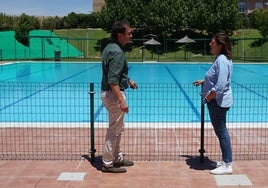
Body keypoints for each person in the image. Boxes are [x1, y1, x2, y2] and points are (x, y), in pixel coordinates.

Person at [193, 33, 233, 175]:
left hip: (217, 101)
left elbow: (221, 84)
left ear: (220, 46)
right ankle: (225, 161)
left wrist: (209, 96)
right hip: (217, 100)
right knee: (220, 131)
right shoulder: (221, 59)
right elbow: (218, 78)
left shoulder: (221, 60)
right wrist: (204, 82)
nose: (210, 45)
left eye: (212, 43)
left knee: (222, 132)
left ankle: (227, 165)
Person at [100, 20, 137, 173]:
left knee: (118, 129)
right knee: (114, 130)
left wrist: (128, 80)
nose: (131, 35)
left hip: (109, 94)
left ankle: (117, 158)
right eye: (129, 33)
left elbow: (114, 72)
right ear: (120, 35)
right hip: (114, 95)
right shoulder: (117, 52)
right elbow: (112, 80)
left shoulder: (110, 47)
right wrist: (121, 101)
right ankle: (108, 163)